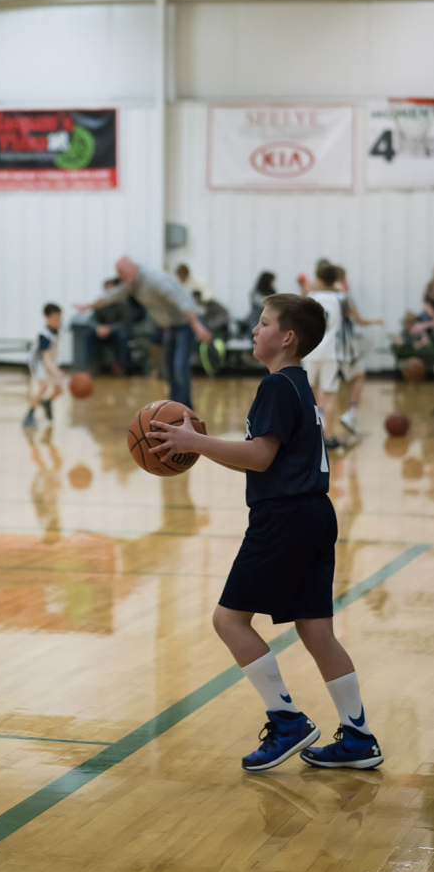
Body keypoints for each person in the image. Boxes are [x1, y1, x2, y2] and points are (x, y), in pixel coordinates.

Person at [146, 293, 382, 773]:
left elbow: (260, 456)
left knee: (229, 621)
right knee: (316, 629)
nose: (255, 330)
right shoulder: (299, 384)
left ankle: (287, 720)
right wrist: (207, 444)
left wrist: (194, 442)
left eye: (264, 322)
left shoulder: (276, 386)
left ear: (287, 338)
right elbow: (268, 456)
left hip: (285, 519)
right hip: (316, 513)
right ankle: (357, 736)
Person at [76, 256, 211, 409]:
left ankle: (186, 407)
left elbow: (180, 299)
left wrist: (196, 325)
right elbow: (110, 296)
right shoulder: (131, 284)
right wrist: (88, 306)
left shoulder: (153, 279)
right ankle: (176, 406)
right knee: (170, 367)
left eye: (121, 272)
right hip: (172, 325)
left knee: (180, 366)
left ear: (132, 268)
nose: (119, 276)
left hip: (187, 323)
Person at [334, 266, 383, 436]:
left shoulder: (316, 295)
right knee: (359, 376)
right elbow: (359, 320)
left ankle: (320, 422)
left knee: (325, 386)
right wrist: (376, 321)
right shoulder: (344, 297)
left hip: (324, 347)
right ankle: (350, 414)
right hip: (345, 346)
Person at [301, 264, 343, 450]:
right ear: (336, 280)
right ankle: (329, 435)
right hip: (332, 352)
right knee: (329, 394)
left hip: (310, 350)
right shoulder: (342, 298)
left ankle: (306, 435)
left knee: (307, 394)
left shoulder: (311, 297)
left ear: (318, 279)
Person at [23, 303, 64, 429]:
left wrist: (54, 369)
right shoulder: (44, 335)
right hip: (38, 362)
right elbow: (45, 357)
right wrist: (55, 371)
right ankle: (29, 415)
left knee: (59, 389)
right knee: (43, 388)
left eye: (59, 318)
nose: (58, 321)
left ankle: (47, 402)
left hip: (49, 361)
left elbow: (50, 356)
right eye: (55, 319)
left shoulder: (56, 331)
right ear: (47, 318)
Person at [89, 277, 131, 375]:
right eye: (106, 289)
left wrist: (110, 329)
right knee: (89, 335)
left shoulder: (122, 304)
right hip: (101, 333)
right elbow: (92, 319)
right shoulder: (100, 303)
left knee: (122, 336)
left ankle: (120, 366)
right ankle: (92, 364)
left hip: (115, 334)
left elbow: (125, 323)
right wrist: (97, 327)